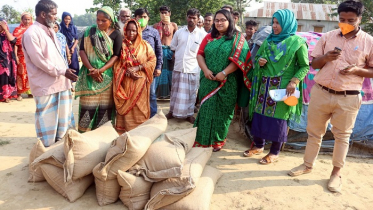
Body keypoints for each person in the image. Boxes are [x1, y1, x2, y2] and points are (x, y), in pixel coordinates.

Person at [289, 0, 373, 193]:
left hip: (348, 96)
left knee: (342, 136)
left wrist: (357, 70)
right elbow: (314, 64)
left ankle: (336, 173)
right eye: (342, 19)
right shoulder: (327, 36)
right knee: (314, 132)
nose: (345, 23)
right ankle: (307, 164)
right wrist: (325, 58)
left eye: (351, 20)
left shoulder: (368, 41)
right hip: (321, 92)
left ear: (360, 19)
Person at [243, 9, 309, 163]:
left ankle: (274, 152)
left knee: (278, 120)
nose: (274, 26)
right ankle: (259, 145)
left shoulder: (297, 43)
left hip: (284, 87)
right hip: (264, 85)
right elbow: (259, 57)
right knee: (259, 115)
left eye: (278, 23)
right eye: (273, 22)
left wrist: (294, 82)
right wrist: (260, 62)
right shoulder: (269, 40)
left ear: (287, 23)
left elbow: (304, 66)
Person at [193, 9, 252, 152]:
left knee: (224, 112)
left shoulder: (238, 38)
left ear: (229, 21)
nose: (219, 23)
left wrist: (224, 73)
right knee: (206, 110)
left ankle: (218, 140)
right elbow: (200, 55)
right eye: (217, 20)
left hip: (228, 82)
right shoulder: (209, 37)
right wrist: (206, 70)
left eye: (222, 20)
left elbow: (241, 59)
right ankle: (202, 140)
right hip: (208, 80)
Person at [22, 0, 78, 146]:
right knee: (48, 123)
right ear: (43, 14)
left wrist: (64, 71)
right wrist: (62, 71)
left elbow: (58, 56)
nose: (55, 17)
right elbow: (39, 60)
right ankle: (47, 155)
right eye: (53, 14)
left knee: (63, 121)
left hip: (61, 83)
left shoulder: (51, 30)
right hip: (46, 86)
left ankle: (61, 151)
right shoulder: (31, 34)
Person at [75, 6, 123, 133]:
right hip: (90, 76)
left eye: (103, 20)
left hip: (106, 77)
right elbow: (82, 51)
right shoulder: (89, 32)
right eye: (98, 20)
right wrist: (92, 69)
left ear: (111, 20)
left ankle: (103, 134)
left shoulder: (117, 34)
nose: (100, 23)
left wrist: (100, 70)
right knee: (87, 106)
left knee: (105, 107)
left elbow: (116, 56)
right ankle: (84, 135)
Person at [113, 19, 156, 132]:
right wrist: (126, 71)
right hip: (126, 84)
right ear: (125, 31)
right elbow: (116, 64)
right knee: (127, 112)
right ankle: (125, 134)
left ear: (138, 31)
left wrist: (138, 68)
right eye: (129, 30)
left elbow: (152, 60)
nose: (131, 33)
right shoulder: (121, 45)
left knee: (140, 111)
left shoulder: (145, 46)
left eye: (134, 31)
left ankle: (140, 135)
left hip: (141, 85)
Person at [165, 8, 207, 124]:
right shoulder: (179, 32)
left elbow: (204, 53)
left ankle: (189, 115)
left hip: (193, 68)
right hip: (179, 67)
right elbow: (173, 47)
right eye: (190, 17)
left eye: (194, 18)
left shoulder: (203, 35)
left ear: (198, 19)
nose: (191, 19)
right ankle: (172, 111)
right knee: (175, 91)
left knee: (191, 93)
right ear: (186, 17)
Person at [134, 8, 163, 118]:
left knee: (151, 94)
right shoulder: (132, 31)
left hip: (150, 69)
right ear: (135, 18)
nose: (142, 19)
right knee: (136, 93)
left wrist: (159, 67)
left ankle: (153, 117)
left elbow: (159, 51)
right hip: (134, 69)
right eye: (140, 17)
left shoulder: (153, 32)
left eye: (144, 17)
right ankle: (138, 117)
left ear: (148, 18)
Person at [153, 5, 178, 99]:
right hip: (159, 52)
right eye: (162, 13)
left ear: (169, 13)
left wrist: (175, 53)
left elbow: (177, 41)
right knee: (159, 73)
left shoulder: (173, 25)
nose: (164, 14)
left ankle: (170, 94)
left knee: (170, 73)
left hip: (170, 52)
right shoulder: (156, 26)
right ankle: (158, 94)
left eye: (165, 12)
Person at [13, 12, 33, 100]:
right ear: (22, 19)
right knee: (20, 74)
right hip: (21, 55)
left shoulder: (34, 29)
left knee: (31, 73)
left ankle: (30, 92)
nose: (27, 21)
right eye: (25, 19)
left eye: (29, 19)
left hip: (32, 56)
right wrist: (16, 56)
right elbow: (16, 44)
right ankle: (19, 93)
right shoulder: (17, 30)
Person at [0, 19, 18, 103]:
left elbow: (13, 41)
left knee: (6, 77)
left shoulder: (6, 35)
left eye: (1, 25)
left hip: (7, 60)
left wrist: (6, 29)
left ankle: (5, 95)